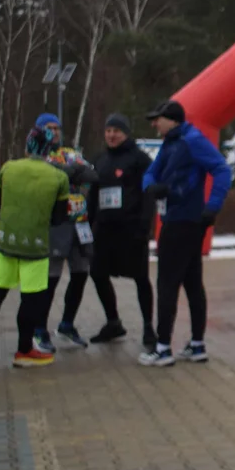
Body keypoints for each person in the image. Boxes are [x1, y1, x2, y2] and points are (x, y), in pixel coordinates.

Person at [139, 99, 232, 367]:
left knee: (167, 283)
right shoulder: (172, 141)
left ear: (173, 119)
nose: (154, 123)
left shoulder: (191, 140)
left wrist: (212, 206)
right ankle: (197, 345)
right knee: (192, 283)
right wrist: (151, 187)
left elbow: (222, 169)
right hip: (178, 219)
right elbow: (151, 172)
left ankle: (163, 347)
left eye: (158, 118)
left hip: (184, 221)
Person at [0, 127, 70, 368]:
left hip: (5, 242)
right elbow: (59, 218)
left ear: (27, 147)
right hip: (35, 248)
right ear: (49, 151)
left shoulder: (8, 168)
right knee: (30, 300)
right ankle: (24, 350)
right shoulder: (59, 177)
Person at [88, 114, 157, 348]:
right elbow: (93, 193)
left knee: (140, 278)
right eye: (108, 130)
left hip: (132, 229)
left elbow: (149, 193)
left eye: (117, 130)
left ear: (126, 133)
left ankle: (149, 327)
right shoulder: (100, 159)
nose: (111, 135)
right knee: (97, 273)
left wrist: (145, 225)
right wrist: (88, 223)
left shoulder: (139, 159)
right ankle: (113, 322)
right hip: (105, 230)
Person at [35, 113, 98, 352]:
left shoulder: (71, 153)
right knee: (50, 279)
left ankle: (67, 324)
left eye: (58, 128)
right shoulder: (38, 156)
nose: (55, 133)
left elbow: (91, 175)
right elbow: (49, 177)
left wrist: (67, 170)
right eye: (49, 128)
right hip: (55, 225)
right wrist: (71, 172)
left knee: (81, 274)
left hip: (80, 224)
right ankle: (39, 329)